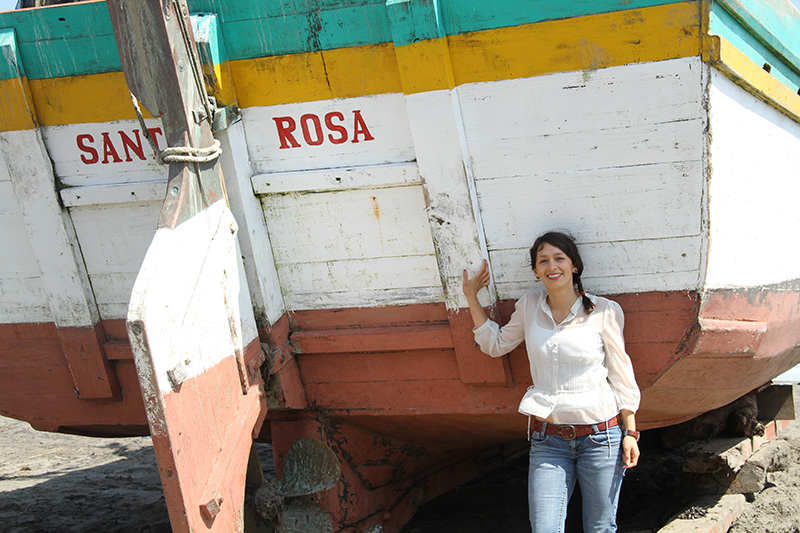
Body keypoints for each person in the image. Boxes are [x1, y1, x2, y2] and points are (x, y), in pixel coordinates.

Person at [461, 231, 640, 533]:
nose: (551, 266)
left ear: (574, 266)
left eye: (559, 258)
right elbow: (496, 344)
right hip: (549, 441)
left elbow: (622, 375)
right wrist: (471, 296)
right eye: (543, 260)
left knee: (599, 528)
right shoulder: (529, 306)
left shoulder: (604, 311)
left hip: (601, 438)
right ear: (535, 271)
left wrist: (631, 432)